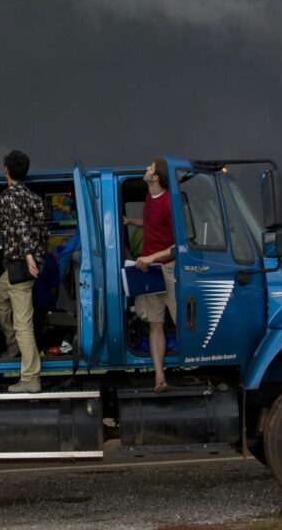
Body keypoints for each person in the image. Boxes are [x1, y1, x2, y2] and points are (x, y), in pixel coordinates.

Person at [0, 150, 48, 393]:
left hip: (21, 265)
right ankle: (13, 344)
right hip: (25, 265)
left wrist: (28, 257)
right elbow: (43, 232)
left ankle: (30, 378)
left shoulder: (8, 197)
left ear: (6, 171)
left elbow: (22, 227)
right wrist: (39, 257)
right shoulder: (35, 198)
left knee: (23, 323)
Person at [123, 157, 176, 393]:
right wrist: (129, 221)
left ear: (156, 177)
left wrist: (151, 258)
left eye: (150, 168)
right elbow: (152, 225)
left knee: (183, 323)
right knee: (155, 325)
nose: (146, 169)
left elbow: (178, 246)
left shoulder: (169, 203)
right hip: (149, 270)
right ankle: (159, 377)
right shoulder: (149, 198)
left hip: (168, 269)